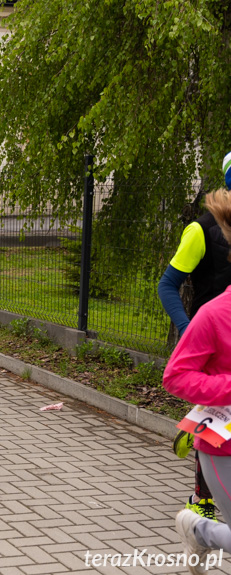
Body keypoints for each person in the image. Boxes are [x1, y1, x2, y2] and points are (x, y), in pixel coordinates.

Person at [156, 154, 231, 521]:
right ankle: (202, 498)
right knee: (217, 416)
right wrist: (188, 329)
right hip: (210, 331)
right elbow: (168, 284)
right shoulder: (201, 230)